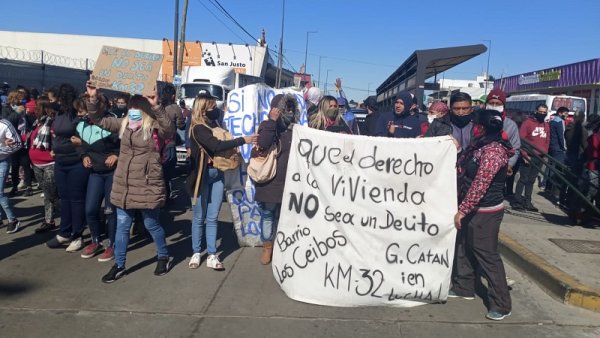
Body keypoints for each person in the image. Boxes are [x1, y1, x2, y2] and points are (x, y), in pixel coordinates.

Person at [84, 83, 174, 283]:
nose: (132, 111)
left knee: (152, 224)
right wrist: (93, 98)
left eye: (136, 108)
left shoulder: (154, 128)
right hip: (124, 186)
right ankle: (119, 265)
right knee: (123, 226)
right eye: (130, 108)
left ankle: (163, 256)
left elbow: (170, 129)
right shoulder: (124, 124)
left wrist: (156, 105)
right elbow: (97, 119)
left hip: (147, 185)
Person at [451, 109, 514, 321]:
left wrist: (463, 210)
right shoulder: (481, 145)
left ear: (482, 127)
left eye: (476, 124)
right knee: (464, 247)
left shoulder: (494, 152)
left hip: (485, 211)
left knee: (487, 255)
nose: (473, 127)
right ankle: (464, 287)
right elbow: (464, 169)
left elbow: (480, 184)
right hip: (473, 208)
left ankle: (501, 304)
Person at [186, 90, 255, 270]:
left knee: (213, 216)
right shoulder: (198, 128)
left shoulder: (215, 123)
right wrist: (243, 140)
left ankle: (211, 254)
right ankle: (195, 252)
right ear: (202, 109)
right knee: (199, 217)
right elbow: (216, 146)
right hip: (201, 177)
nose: (214, 109)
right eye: (210, 106)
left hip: (218, 174)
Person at [255, 93, 299, 265]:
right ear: (276, 109)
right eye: (284, 108)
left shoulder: (296, 130)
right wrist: (272, 121)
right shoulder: (267, 126)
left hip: (289, 182)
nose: (288, 111)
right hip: (270, 181)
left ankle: (281, 248)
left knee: (284, 217)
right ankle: (267, 247)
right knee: (268, 214)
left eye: (290, 108)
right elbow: (263, 144)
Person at [75, 94, 121, 262]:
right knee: (90, 209)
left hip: (112, 172)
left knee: (110, 210)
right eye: (79, 110)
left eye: (83, 110)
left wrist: (116, 155)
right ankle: (96, 240)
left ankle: (113, 244)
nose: (80, 114)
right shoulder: (81, 125)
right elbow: (81, 144)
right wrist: (84, 155)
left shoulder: (112, 121)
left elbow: (127, 143)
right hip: (95, 172)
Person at [45, 84, 90, 252]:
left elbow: (88, 134)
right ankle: (65, 231)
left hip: (76, 162)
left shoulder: (76, 114)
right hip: (61, 162)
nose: (55, 101)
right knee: (64, 199)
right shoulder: (59, 113)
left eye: (59, 98)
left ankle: (77, 235)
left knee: (76, 199)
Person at [511, 104, 550, 212]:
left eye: (544, 112)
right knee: (523, 179)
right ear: (536, 111)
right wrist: (524, 154)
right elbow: (521, 140)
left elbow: (547, 140)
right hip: (528, 156)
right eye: (540, 112)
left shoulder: (546, 125)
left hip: (540, 157)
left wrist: (545, 153)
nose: (542, 114)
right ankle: (517, 201)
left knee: (531, 180)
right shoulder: (528, 123)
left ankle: (528, 202)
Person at [29, 96, 60, 233]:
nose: (34, 109)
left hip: (50, 164)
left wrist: (55, 149)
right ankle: (49, 220)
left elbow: (58, 140)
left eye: (37, 107)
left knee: (52, 194)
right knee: (47, 194)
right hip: (36, 164)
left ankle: (73, 217)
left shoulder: (52, 123)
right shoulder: (37, 123)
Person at [2, 90, 35, 196]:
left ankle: (29, 186)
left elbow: (30, 122)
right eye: (20, 99)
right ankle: (15, 186)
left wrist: (29, 115)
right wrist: (17, 113)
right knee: (15, 165)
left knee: (26, 164)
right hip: (13, 140)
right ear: (14, 99)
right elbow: (7, 123)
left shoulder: (23, 107)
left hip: (25, 139)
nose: (22, 101)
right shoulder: (6, 109)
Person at [161, 84, 185, 201]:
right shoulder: (175, 109)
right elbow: (181, 125)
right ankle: (166, 195)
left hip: (156, 143)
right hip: (170, 143)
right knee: (168, 173)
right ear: (173, 95)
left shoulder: (157, 106)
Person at [0, 116, 23, 233]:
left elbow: (18, 144)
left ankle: (13, 220)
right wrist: (3, 143)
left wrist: (1, 148)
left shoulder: (4, 124)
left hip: (2, 162)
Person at [545, 106, 569, 194]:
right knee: (557, 169)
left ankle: (546, 185)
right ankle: (553, 188)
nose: (567, 115)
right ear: (560, 113)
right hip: (558, 148)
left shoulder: (552, 121)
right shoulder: (560, 121)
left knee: (550, 166)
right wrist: (564, 147)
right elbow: (561, 136)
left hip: (551, 146)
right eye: (565, 113)